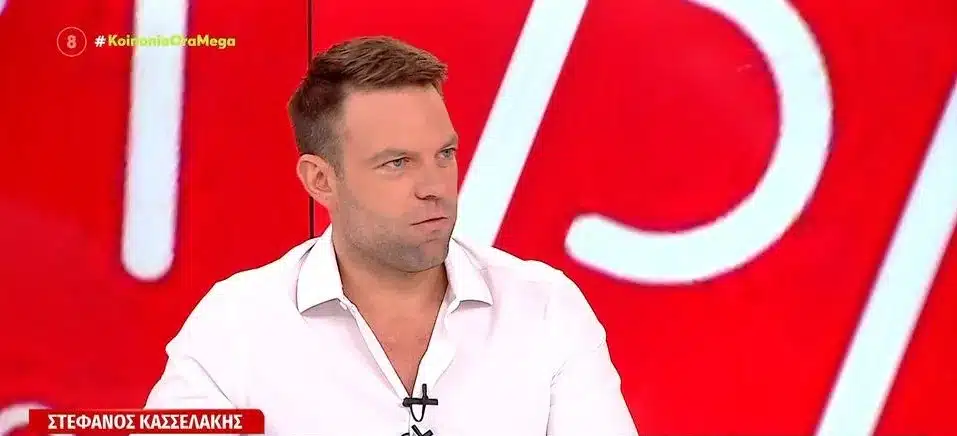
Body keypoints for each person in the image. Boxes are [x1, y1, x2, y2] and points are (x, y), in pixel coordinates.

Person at [144, 35, 639, 435]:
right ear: (321, 180)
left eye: (444, 155)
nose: (434, 187)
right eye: (397, 163)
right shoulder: (235, 324)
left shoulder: (545, 307)